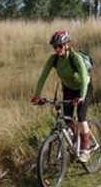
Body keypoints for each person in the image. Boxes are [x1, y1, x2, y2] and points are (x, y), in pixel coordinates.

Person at [30, 30, 95, 163]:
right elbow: (43, 77)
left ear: (67, 45)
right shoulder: (53, 59)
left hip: (84, 88)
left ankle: (86, 149)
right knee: (67, 119)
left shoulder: (75, 57)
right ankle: (76, 142)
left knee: (81, 117)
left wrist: (81, 97)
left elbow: (83, 77)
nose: (57, 49)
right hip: (69, 89)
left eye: (59, 46)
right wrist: (37, 95)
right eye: (55, 47)